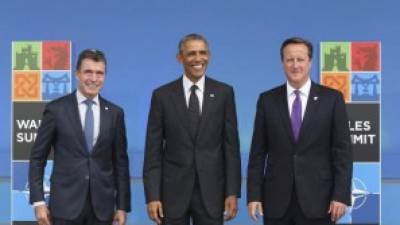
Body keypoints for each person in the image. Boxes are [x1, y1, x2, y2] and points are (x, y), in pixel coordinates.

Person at [247, 37, 353, 225]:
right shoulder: (267, 100)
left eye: (300, 59)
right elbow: (257, 153)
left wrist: (341, 195)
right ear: (283, 63)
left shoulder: (332, 99)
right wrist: (254, 195)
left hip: (320, 201)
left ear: (310, 62)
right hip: (276, 202)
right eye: (290, 60)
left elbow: (343, 152)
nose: (295, 65)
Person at [143, 33, 241, 225]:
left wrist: (232, 192)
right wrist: (152, 195)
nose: (198, 59)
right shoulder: (162, 96)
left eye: (203, 53)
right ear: (180, 58)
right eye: (191, 54)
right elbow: (152, 150)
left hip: (212, 194)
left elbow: (231, 148)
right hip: (171, 196)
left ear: (209, 56)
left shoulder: (224, 93)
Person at [29, 49, 131, 225]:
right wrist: (38, 202)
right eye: (88, 72)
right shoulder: (56, 109)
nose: (94, 78)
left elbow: (120, 163)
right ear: (77, 74)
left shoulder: (115, 113)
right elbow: (38, 157)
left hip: (102, 209)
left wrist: (122, 206)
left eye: (100, 73)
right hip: (64, 207)